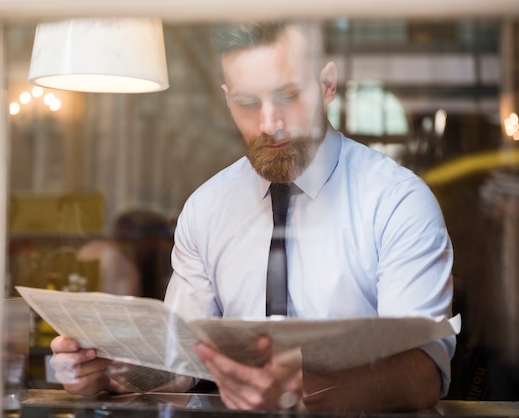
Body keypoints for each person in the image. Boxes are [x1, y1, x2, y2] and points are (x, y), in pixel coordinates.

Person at [49, 19, 455, 413]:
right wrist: (109, 372)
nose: (268, 124)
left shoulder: (398, 202)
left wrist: (302, 391)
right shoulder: (207, 209)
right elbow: (179, 366)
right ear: (228, 98)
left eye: (287, 96)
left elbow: (423, 374)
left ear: (327, 84)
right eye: (246, 103)